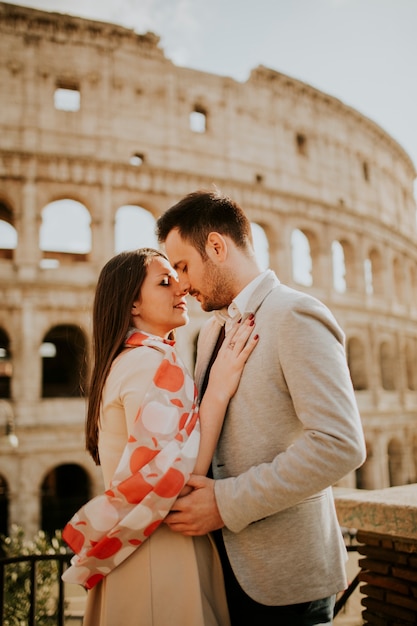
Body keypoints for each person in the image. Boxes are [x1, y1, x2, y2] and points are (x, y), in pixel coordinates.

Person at [155, 189, 367, 626]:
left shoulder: (295, 314)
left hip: (284, 576)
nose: (180, 283)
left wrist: (225, 503)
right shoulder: (210, 333)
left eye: (182, 266)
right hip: (223, 568)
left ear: (216, 246)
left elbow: (340, 444)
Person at [61, 247, 258, 626]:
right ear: (132, 304)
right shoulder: (151, 362)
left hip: (140, 550)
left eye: (178, 278)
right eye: (165, 282)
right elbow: (176, 479)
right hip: (162, 558)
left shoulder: (128, 360)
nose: (181, 288)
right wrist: (218, 388)